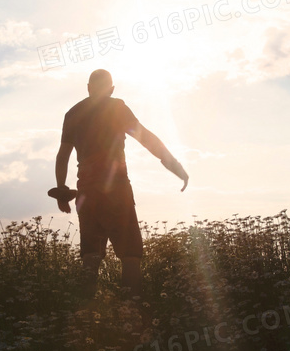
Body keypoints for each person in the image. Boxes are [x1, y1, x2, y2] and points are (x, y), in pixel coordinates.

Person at [53, 69, 189, 307]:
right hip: (116, 189)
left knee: (90, 255)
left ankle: (85, 313)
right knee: (130, 255)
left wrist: (62, 190)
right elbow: (146, 138)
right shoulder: (117, 108)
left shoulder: (72, 113)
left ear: (88, 87)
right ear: (111, 89)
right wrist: (175, 166)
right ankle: (132, 309)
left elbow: (63, 155)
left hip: (86, 190)